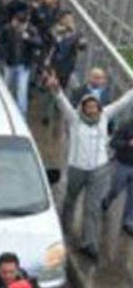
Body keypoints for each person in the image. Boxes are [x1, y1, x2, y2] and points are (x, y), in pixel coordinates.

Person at [46, 72, 133, 258]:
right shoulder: (74, 119)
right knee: (70, 200)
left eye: (95, 106)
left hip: (99, 169)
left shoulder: (104, 116)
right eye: (89, 107)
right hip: (77, 168)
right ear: (83, 108)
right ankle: (63, 231)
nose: (93, 109)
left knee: (92, 207)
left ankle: (89, 243)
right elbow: (61, 101)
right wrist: (55, 88)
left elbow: (122, 103)